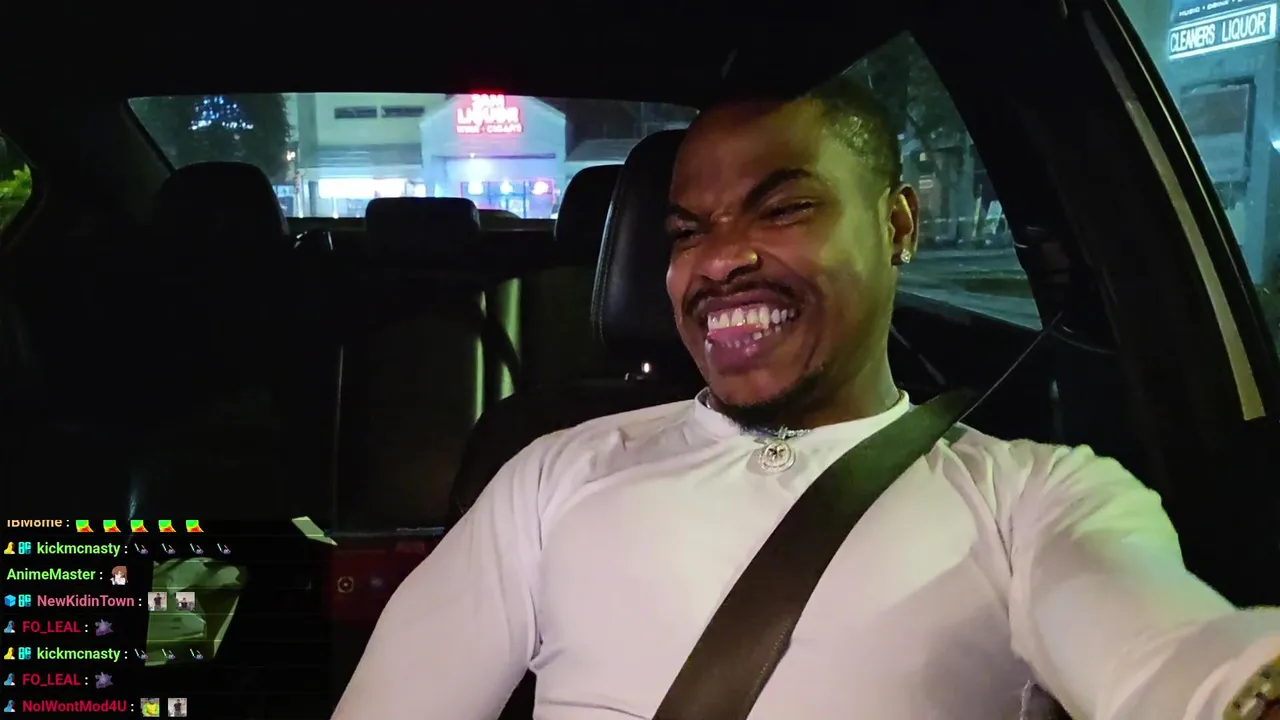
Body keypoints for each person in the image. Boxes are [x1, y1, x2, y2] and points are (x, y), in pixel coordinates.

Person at [332, 78, 1280, 720]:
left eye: (784, 208)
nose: (719, 260)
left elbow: (1178, 660)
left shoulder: (1037, 498)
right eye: (687, 231)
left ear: (897, 225)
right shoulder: (555, 473)